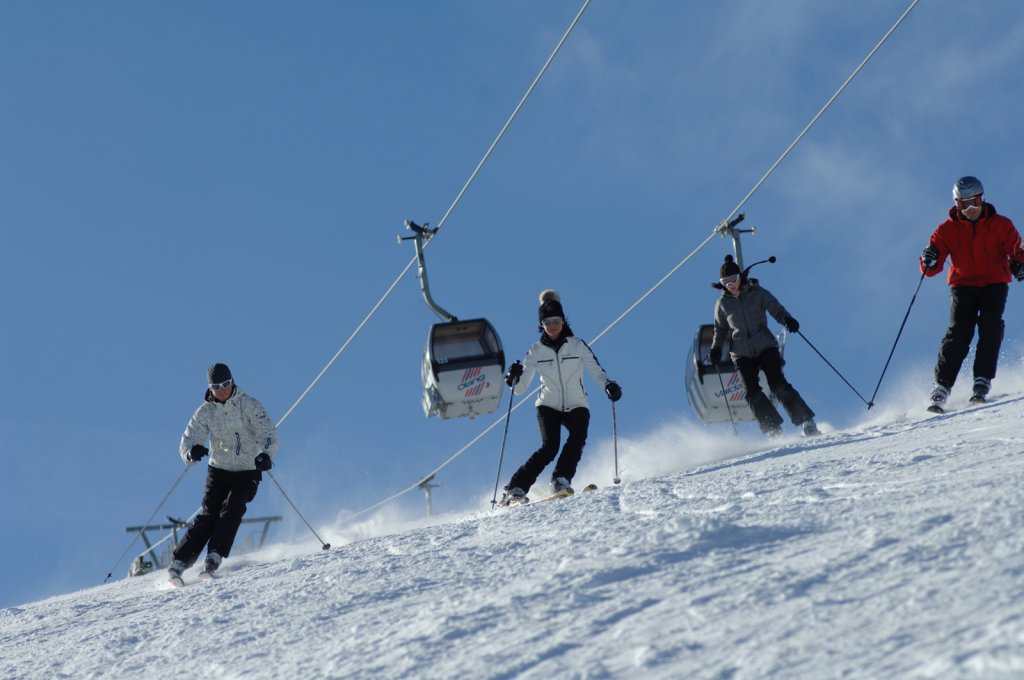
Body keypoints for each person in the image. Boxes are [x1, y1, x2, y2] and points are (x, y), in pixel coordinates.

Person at [498, 290, 621, 505]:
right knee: (550, 447)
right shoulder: (535, 351)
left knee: (577, 437)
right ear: (542, 325)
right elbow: (519, 388)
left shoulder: (577, 345)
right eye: (547, 321)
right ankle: (516, 487)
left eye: (556, 320)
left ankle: (560, 479)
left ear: (563, 321)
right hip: (549, 404)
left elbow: (596, 370)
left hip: (576, 403)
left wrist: (609, 385)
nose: (552, 325)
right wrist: (513, 378)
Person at [920, 175, 1024, 411]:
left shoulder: (1001, 225)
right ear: (956, 205)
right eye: (963, 204)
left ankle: (982, 379)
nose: (970, 209)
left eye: (974, 202)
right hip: (963, 285)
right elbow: (931, 265)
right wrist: (930, 259)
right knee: (959, 331)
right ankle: (942, 385)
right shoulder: (946, 230)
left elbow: (1018, 250)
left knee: (990, 325)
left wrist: (1019, 264)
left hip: (994, 283)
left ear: (982, 199)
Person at [167, 363, 279, 579]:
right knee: (209, 513)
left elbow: (268, 433)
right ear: (210, 388)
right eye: (217, 386)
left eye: (226, 384)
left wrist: (266, 454)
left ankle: (215, 555)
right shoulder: (206, 411)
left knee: (233, 506)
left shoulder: (249, 405)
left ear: (232, 382)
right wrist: (192, 452)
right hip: (218, 469)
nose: (222, 390)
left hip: (247, 469)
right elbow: (188, 439)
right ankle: (180, 561)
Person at [708, 255, 818, 437]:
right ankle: (772, 428)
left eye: (733, 280)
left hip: (765, 345)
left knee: (777, 384)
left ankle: (806, 420)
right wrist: (716, 349)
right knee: (752, 392)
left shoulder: (757, 293)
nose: (730, 285)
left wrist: (787, 320)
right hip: (741, 353)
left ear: (740, 277)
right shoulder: (722, 304)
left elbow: (775, 308)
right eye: (725, 282)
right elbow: (720, 329)